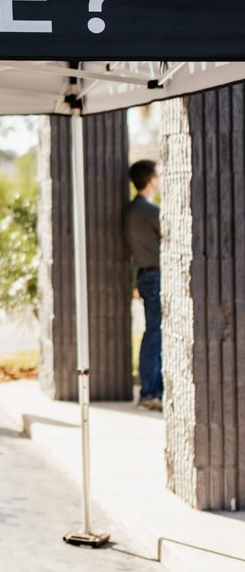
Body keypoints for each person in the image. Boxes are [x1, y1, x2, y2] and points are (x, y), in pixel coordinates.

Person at [124, 159, 163, 410]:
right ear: (150, 179)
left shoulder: (131, 210)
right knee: (154, 334)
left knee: (152, 332)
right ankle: (149, 392)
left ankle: (151, 390)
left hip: (144, 276)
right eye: (158, 175)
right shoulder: (151, 211)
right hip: (155, 276)